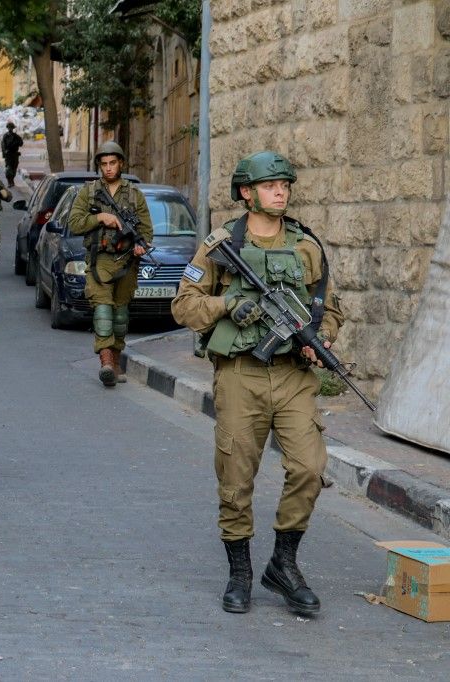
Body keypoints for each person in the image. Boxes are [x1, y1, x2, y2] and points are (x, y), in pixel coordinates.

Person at [171, 151, 344, 617]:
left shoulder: (307, 245)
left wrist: (319, 339)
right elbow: (184, 306)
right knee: (235, 477)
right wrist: (227, 305)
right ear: (247, 192)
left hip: (293, 376)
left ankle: (283, 564)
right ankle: (240, 572)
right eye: (271, 185)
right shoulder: (221, 244)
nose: (281, 191)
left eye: (285, 184)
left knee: (309, 467)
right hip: (240, 375)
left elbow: (329, 307)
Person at [66, 141, 151, 387]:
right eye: (104, 164)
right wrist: (100, 217)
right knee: (103, 311)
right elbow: (75, 223)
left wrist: (140, 246)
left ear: (121, 163)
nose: (108, 168)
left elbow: (146, 230)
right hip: (99, 261)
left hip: (126, 262)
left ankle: (115, 360)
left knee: (120, 316)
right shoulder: (90, 192)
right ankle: (105, 364)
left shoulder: (134, 195)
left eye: (113, 163)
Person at [0, 122, 23, 188]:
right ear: (7, 128)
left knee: (14, 169)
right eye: (9, 127)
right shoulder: (5, 136)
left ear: (13, 128)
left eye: (11, 128)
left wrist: (17, 142)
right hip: (8, 155)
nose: (10, 129)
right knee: (8, 169)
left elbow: (21, 143)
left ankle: (12, 180)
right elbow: (3, 146)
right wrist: (4, 154)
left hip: (15, 155)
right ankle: (9, 182)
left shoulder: (16, 136)